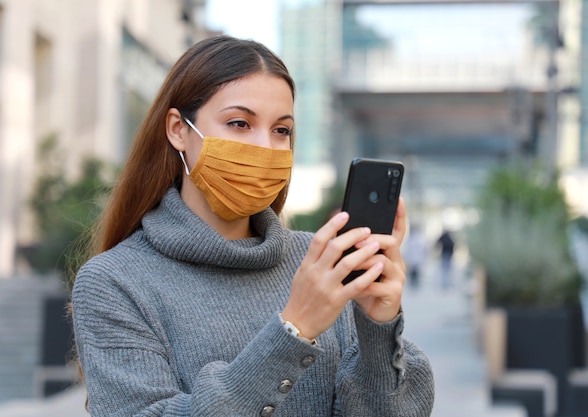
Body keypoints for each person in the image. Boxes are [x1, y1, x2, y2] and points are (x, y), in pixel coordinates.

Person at [71, 35, 434, 417]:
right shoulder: (114, 282)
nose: (265, 147)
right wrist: (294, 329)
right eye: (239, 123)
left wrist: (379, 328)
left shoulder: (320, 262)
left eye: (281, 130)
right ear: (178, 129)